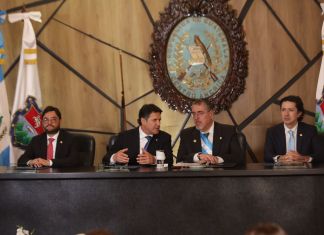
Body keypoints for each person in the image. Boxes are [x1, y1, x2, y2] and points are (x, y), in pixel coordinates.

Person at [177, 99, 244, 165]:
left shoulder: (228, 131)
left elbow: (238, 157)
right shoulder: (186, 134)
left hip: (221, 175)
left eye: (200, 113)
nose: (196, 118)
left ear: (211, 114)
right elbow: (180, 159)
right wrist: (198, 156)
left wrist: (217, 159)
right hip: (196, 175)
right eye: (194, 114)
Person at [102, 104, 173, 166]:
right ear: (143, 121)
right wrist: (114, 157)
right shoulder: (125, 136)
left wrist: (154, 160)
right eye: (154, 120)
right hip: (129, 179)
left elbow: (170, 163)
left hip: (153, 179)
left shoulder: (164, 138)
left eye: (159, 120)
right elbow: (105, 159)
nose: (158, 124)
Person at [264, 95, 317, 163]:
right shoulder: (272, 131)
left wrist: (303, 158)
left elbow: (319, 155)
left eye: (291, 110)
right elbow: (267, 156)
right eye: (283, 110)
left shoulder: (310, 130)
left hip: (304, 171)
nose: (286, 114)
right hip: (280, 171)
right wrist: (280, 158)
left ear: (299, 113)